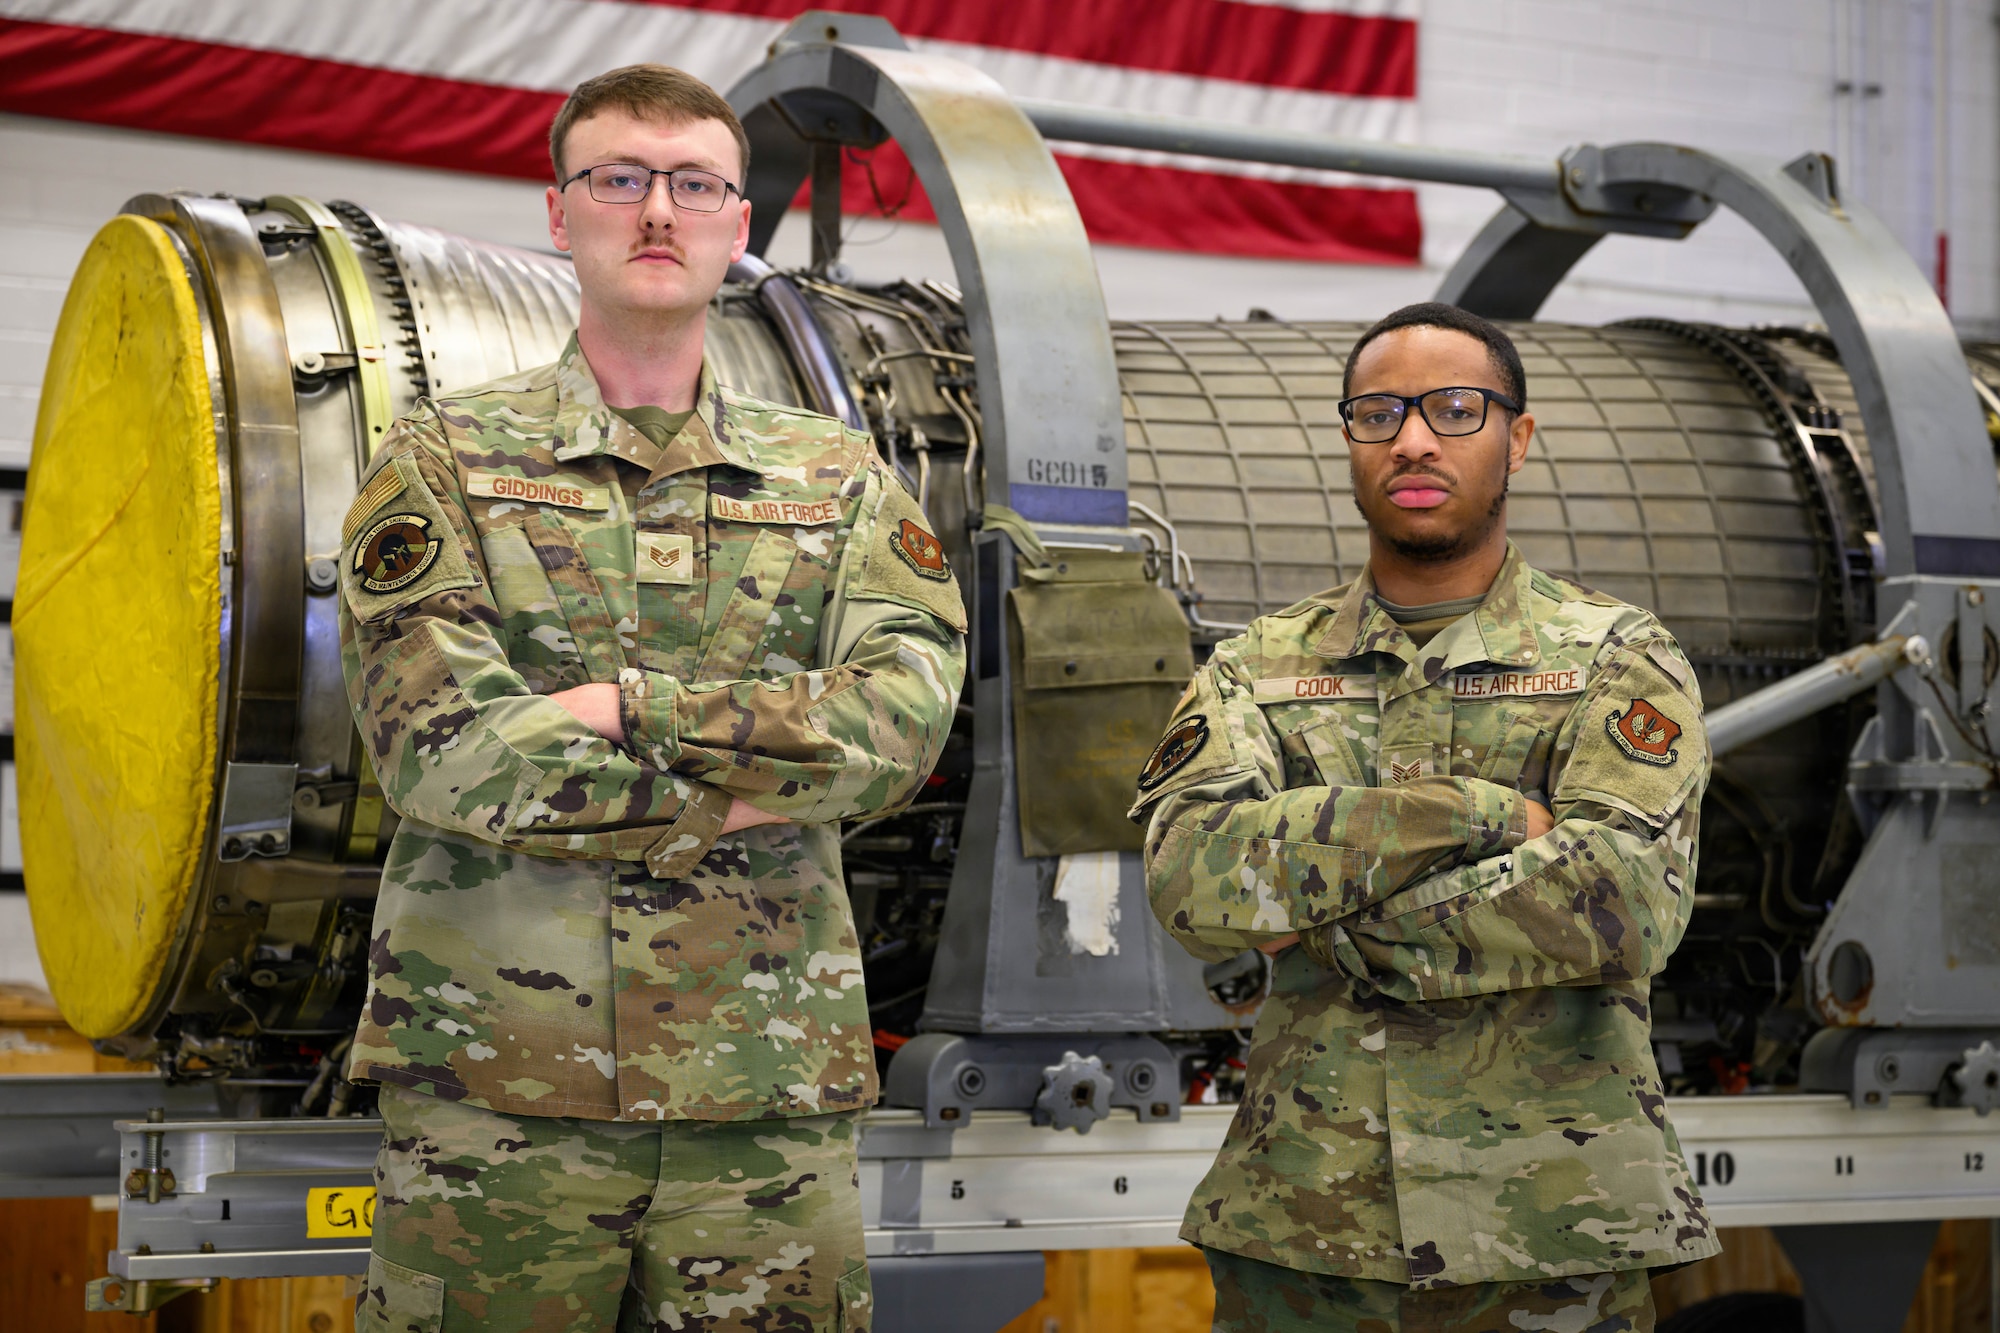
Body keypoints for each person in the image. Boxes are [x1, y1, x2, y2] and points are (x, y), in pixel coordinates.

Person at [336, 63, 966, 1333]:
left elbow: (896, 727)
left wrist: (625, 710)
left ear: (739, 222)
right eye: (620, 179)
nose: (658, 212)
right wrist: (744, 794)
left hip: (761, 1096)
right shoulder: (442, 455)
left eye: (694, 184)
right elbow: (441, 747)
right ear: (562, 214)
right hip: (496, 1097)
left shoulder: (837, 477)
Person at [1131, 303, 1716, 1332]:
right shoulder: (1256, 664)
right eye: (1377, 412)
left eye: (1454, 408)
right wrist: (1477, 815)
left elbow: (1625, 899)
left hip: (1548, 1225)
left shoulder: (1616, 657)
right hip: (1305, 1229)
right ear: (1348, 435)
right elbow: (1186, 874)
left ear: (1516, 438)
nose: (1411, 439)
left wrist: (1322, 906)